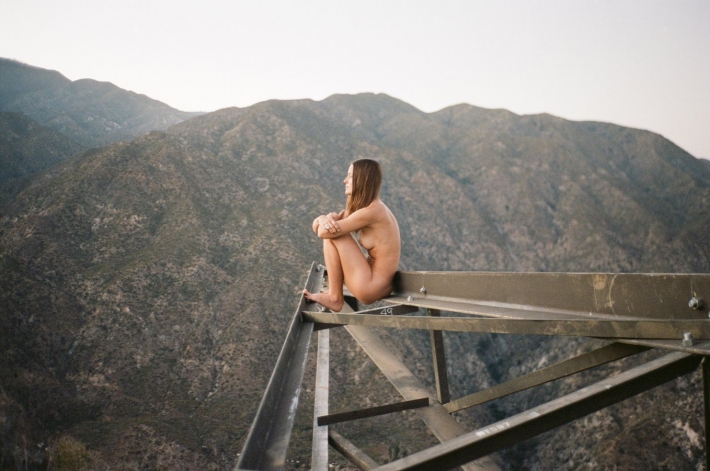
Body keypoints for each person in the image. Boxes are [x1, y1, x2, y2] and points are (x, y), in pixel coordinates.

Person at [304, 159, 400, 312]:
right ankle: (334, 296)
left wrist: (325, 220)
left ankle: (335, 297)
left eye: (350, 176)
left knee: (333, 236)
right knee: (333, 234)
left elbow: (323, 232)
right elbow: (320, 228)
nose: (345, 180)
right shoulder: (368, 207)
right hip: (376, 283)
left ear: (362, 180)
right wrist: (322, 219)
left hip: (370, 286)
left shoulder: (373, 211)